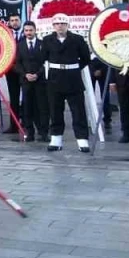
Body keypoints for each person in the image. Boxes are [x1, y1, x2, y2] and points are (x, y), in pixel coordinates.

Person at [40, 13, 92, 153]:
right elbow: (42, 58)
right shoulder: (47, 40)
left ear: (68, 25)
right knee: (55, 111)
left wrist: (74, 68)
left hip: (73, 79)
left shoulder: (77, 39)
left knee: (78, 111)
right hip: (54, 79)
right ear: (53, 26)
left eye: (63, 23)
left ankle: (82, 141)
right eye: (57, 24)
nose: (60, 26)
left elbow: (86, 58)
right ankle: (56, 139)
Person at [15, 21, 49, 143]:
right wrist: (25, 74)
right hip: (26, 81)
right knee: (27, 108)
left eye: (31, 30)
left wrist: (37, 74)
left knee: (42, 107)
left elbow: (46, 62)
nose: (28, 33)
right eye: (26, 30)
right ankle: (29, 133)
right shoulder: (20, 45)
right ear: (24, 32)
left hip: (40, 81)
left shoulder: (42, 44)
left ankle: (44, 132)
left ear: (35, 30)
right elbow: (17, 64)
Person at [1, 14, 24, 134]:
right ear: (9, 22)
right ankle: (14, 126)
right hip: (11, 72)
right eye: (12, 21)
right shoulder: (6, 36)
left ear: (21, 21)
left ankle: (26, 123)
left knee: (28, 98)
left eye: (16, 20)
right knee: (14, 99)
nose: (14, 22)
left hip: (25, 72)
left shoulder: (27, 33)